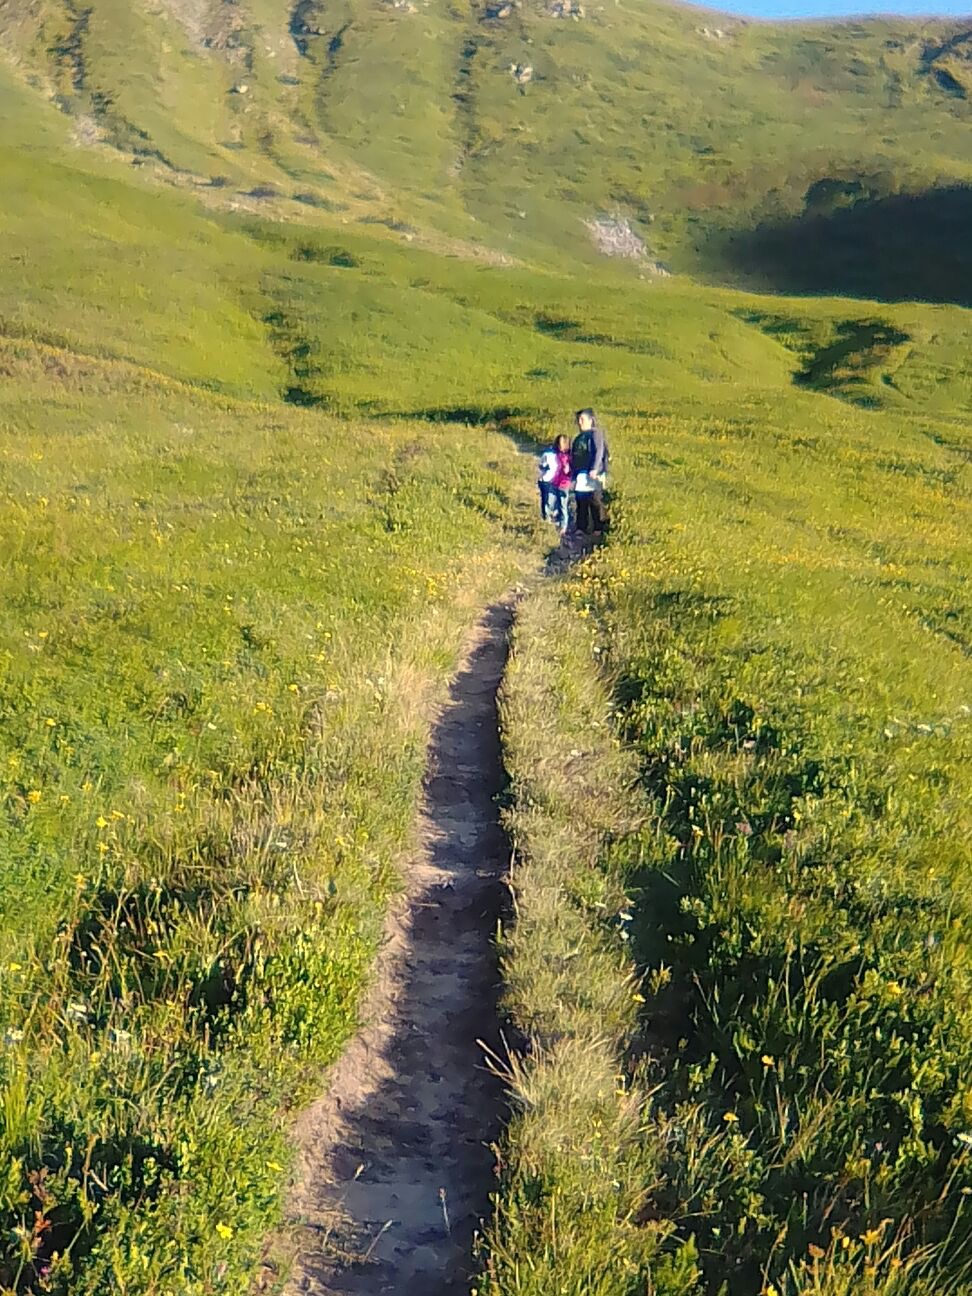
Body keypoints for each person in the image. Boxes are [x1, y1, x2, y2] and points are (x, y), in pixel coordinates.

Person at [571, 408, 609, 534]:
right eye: (578, 420)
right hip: (581, 473)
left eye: (582, 419)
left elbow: (599, 451)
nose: (579, 422)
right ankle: (581, 526)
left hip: (593, 473)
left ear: (590, 420)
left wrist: (594, 468)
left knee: (594, 499)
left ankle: (598, 527)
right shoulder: (578, 438)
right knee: (581, 500)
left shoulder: (595, 433)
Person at [547, 433, 573, 538]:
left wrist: (568, 470)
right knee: (550, 502)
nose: (560, 446)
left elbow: (571, 471)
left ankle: (563, 526)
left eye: (562, 443)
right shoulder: (555, 454)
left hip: (564, 484)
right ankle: (548, 520)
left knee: (563, 505)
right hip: (554, 482)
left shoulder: (569, 457)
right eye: (558, 443)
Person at [537, 443, 558, 521]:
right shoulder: (562, 455)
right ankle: (551, 515)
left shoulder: (546, 454)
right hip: (556, 480)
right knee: (553, 498)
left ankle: (546, 517)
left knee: (545, 499)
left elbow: (542, 466)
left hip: (546, 479)